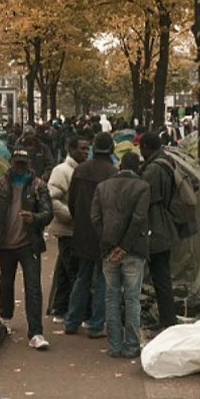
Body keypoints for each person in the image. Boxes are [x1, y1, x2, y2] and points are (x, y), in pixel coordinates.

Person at [0, 150, 54, 350]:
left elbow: (48, 212)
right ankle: (6, 317)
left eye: (23, 163)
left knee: (33, 287)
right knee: (6, 281)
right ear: (11, 163)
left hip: (29, 244)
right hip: (5, 244)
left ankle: (36, 332)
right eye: (17, 163)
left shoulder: (38, 186)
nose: (20, 167)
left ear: (28, 163)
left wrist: (35, 218)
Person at [92, 153, 150, 359]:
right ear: (138, 167)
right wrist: (124, 246)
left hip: (108, 251)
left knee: (111, 297)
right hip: (134, 250)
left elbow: (95, 219)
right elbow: (139, 219)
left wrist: (109, 245)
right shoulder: (143, 187)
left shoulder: (102, 187)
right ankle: (132, 346)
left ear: (120, 166)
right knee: (132, 299)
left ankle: (114, 346)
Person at [64, 132, 116, 338]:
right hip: (104, 234)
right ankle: (96, 325)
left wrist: (79, 221)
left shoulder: (80, 170)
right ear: (111, 148)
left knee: (82, 277)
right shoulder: (113, 173)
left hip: (82, 231)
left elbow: (72, 202)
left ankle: (72, 321)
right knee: (103, 280)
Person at [46, 136, 88, 320]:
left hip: (75, 230)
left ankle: (59, 308)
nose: (85, 152)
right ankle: (73, 312)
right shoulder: (61, 171)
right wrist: (71, 215)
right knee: (73, 271)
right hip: (67, 229)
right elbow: (51, 198)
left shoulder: (80, 170)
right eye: (82, 148)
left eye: (87, 148)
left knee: (64, 270)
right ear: (71, 149)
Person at [140, 132, 178, 330]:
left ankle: (167, 319)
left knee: (160, 275)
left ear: (146, 146)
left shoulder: (153, 170)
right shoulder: (167, 162)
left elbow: (144, 197)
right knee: (162, 274)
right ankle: (167, 317)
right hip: (165, 225)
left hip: (155, 227)